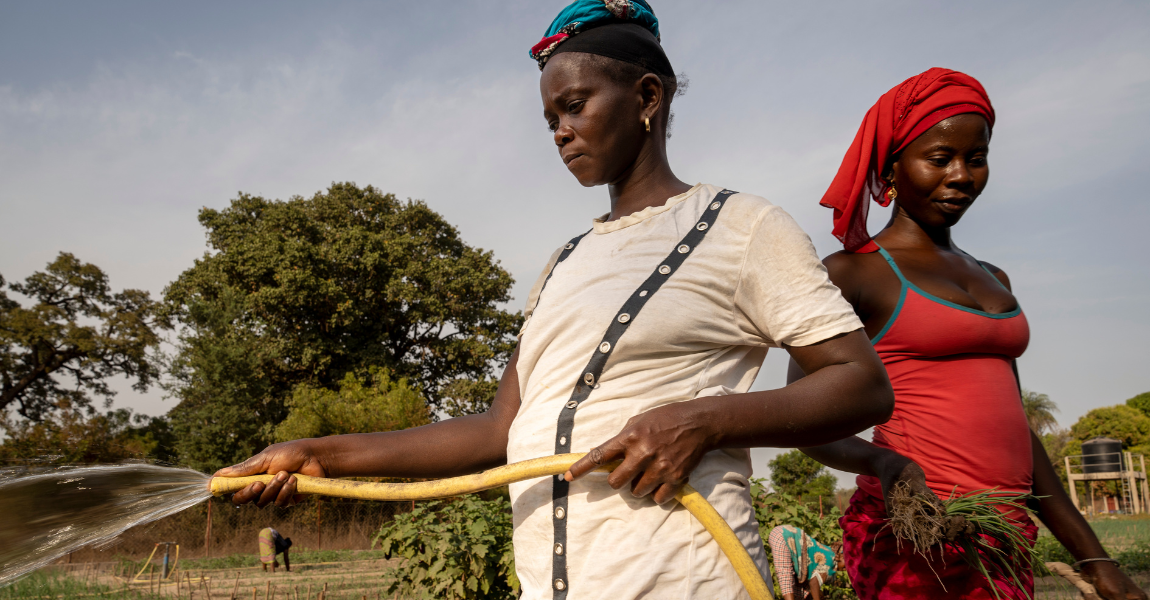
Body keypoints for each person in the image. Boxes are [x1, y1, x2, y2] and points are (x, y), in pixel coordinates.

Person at [215, 2, 896, 598]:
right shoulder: (564, 262)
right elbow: (494, 433)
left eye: (575, 105)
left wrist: (702, 420)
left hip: (685, 579)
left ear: (647, 96)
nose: (560, 132)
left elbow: (860, 385)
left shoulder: (744, 227)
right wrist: (317, 455)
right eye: (549, 118)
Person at [791, 67, 1148, 600]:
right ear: (891, 167)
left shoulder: (994, 277)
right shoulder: (854, 273)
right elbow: (804, 416)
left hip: (1005, 537)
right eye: (939, 158)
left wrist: (1096, 560)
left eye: (975, 158)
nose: (961, 175)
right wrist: (882, 462)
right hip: (918, 537)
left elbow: (1020, 437)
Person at [766, 525, 839, 600]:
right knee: (785, 576)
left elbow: (811, 582)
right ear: (841, 556)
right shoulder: (831, 560)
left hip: (781, 533)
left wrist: (818, 592)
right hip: (784, 536)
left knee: (800, 590)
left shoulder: (829, 553)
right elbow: (814, 583)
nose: (845, 569)